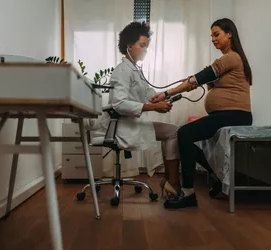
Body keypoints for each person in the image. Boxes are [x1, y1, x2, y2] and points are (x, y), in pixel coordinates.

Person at [150, 18, 253, 209]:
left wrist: (166, 93)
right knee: (185, 136)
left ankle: (188, 193)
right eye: (211, 36)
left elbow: (195, 80)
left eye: (217, 34)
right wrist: (172, 95)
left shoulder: (231, 57)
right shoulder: (228, 59)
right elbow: (194, 83)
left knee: (184, 133)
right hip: (227, 114)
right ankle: (214, 175)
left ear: (229, 33)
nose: (213, 39)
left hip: (236, 114)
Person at [93, 21, 181, 198]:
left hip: (133, 122)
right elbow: (119, 103)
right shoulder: (122, 71)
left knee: (173, 132)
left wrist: (167, 96)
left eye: (147, 46)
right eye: (142, 45)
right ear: (129, 46)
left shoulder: (135, 70)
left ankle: (169, 181)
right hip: (124, 126)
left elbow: (150, 94)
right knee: (173, 132)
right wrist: (154, 106)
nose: (145, 50)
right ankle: (172, 182)